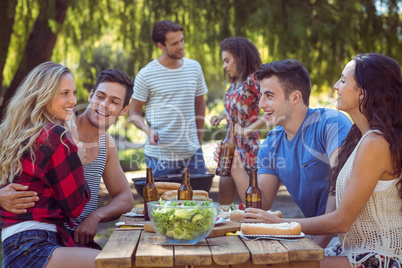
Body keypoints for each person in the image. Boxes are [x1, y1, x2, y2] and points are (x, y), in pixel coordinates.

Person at [244, 53, 402, 267]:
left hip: (381, 257)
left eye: (344, 80)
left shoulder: (374, 142)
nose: (336, 85)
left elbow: (341, 221)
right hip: (354, 249)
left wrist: (279, 223)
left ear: (363, 93)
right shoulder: (361, 137)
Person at [216, 59, 353, 248]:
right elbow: (261, 205)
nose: (261, 104)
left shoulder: (331, 124)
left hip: (348, 239)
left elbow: (340, 186)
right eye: (262, 96)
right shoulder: (272, 142)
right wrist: (236, 168)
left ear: (295, 97)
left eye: (269, 96)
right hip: (315, 237)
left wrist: (314, 251)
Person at [0, 68, 135, 249]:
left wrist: (95, 217)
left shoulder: (107, 144)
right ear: (91, 95)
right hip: (46, 237)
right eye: (100, 96)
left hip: (77, 242)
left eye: (114, 101)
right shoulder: (57, 130)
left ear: (124, 109)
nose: (104, 104)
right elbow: (9, 160)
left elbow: (125, 197)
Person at [0, 62, 99, 267]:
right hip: (34, 244)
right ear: (43, 95)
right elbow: (76, 206)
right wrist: (77, 157)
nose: (73, 101)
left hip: (13, 244)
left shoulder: (9, 135)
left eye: (73, 92)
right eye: (64, 93)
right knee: (116, 263)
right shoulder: (56, 136)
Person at [130, 19, 208, 177]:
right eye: (174, 43)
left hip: (193, 155)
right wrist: (147, 130)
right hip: (160, 158)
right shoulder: (146, 75)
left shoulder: (194, 68)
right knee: (161, 202)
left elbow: (199, 104)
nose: (181, 46)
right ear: (161, 46)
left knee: (200, 201)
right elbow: (134, 113)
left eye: (182, 40)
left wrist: (198, 142)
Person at [210, 37, 266, 204]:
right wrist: (221, 116)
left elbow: (272, 112)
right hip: (230, 147)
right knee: (223, 204)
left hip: (249, 149)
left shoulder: (254, 79)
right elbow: (238, 110)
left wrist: (248, 129)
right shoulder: (235, 83)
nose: (224, 66)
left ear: (240, 58)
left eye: (227, 61)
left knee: (251, 204)